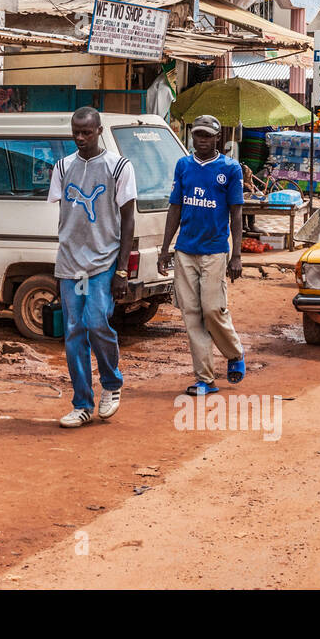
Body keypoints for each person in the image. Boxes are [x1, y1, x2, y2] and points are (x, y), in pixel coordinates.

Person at [48, 106, 137, 427]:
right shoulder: (62, 166)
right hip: (70, 263)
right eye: (76, 132)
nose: (80, 138)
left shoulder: (119, 167)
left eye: (87, 132)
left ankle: (112, 384)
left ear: (100, 130)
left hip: (103, 262)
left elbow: (128, 220)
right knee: (73, 331)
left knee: (97, 322)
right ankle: (82, 403)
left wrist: (123, 270)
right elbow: (63, 218)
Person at [157, 114, 246, 397]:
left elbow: (236, 212)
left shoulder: (230, 169)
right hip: (185, 251)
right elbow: (175, 208)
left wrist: (237, 255)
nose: (202, 140)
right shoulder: (183, 165)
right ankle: (205, 379)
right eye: (198, 135)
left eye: (207, 135)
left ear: (217, 138)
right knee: (192, 316)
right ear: (191, 136)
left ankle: (234, 352)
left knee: (212, 309)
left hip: (215, 251)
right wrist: (164, 248)